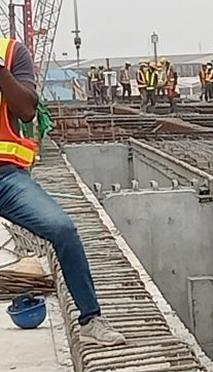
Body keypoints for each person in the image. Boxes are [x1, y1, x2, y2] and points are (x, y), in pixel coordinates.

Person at [0, 37, 125, 346]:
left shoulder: (12, 52)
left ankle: (91, 319)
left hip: (6, 177)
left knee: (62, 228)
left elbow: (27, 109)